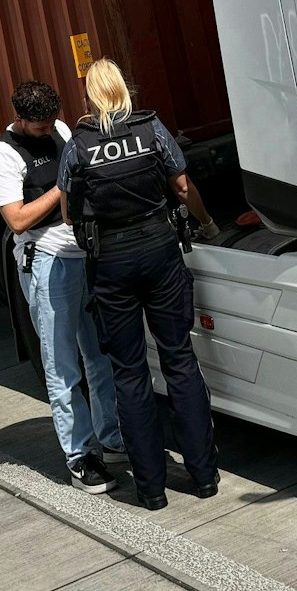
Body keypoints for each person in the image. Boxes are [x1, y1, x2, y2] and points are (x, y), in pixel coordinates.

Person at [59, 59, 221, 510]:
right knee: (179, 360)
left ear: (91, 96)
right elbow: (183, 186)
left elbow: (70, 212)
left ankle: (150, 490)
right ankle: (204, 476)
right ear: (124, 90)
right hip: (160, 251)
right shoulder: (151, 130)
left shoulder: (79, 145)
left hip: (111, 261)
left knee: (129, 374)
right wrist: (207, 225)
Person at [0, 79, 126, 494]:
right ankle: (80, 456)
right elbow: (17, 220)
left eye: (52, 123)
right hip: (47, 263)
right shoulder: (3, 155)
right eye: (41, 127)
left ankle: (112, 438)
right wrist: (62, 187)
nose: (50, 131)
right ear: (19, 119)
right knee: (62, 364)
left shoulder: (62, 130)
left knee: (99, 355)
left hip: (84, 254)